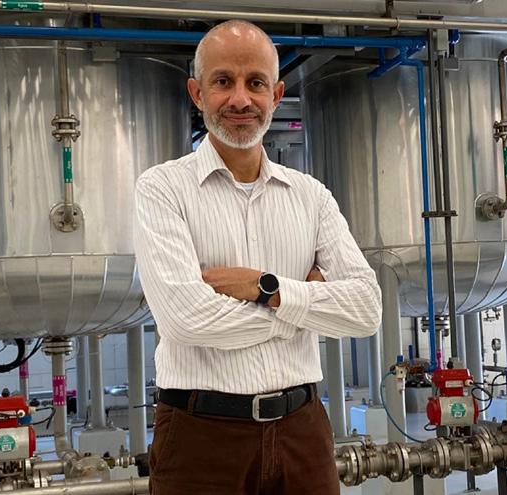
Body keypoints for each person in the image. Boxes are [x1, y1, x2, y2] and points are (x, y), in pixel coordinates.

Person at [134, 19, 382, 495]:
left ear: (276, 93)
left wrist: (265, 288)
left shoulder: (311, 196)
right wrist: (300, 307)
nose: (240, 99)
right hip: (201, 437)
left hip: (303, 432)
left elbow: (367, 309)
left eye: (255, 83)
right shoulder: (162, 189)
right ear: (197, 93)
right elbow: (187, 321)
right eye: (222, 81)